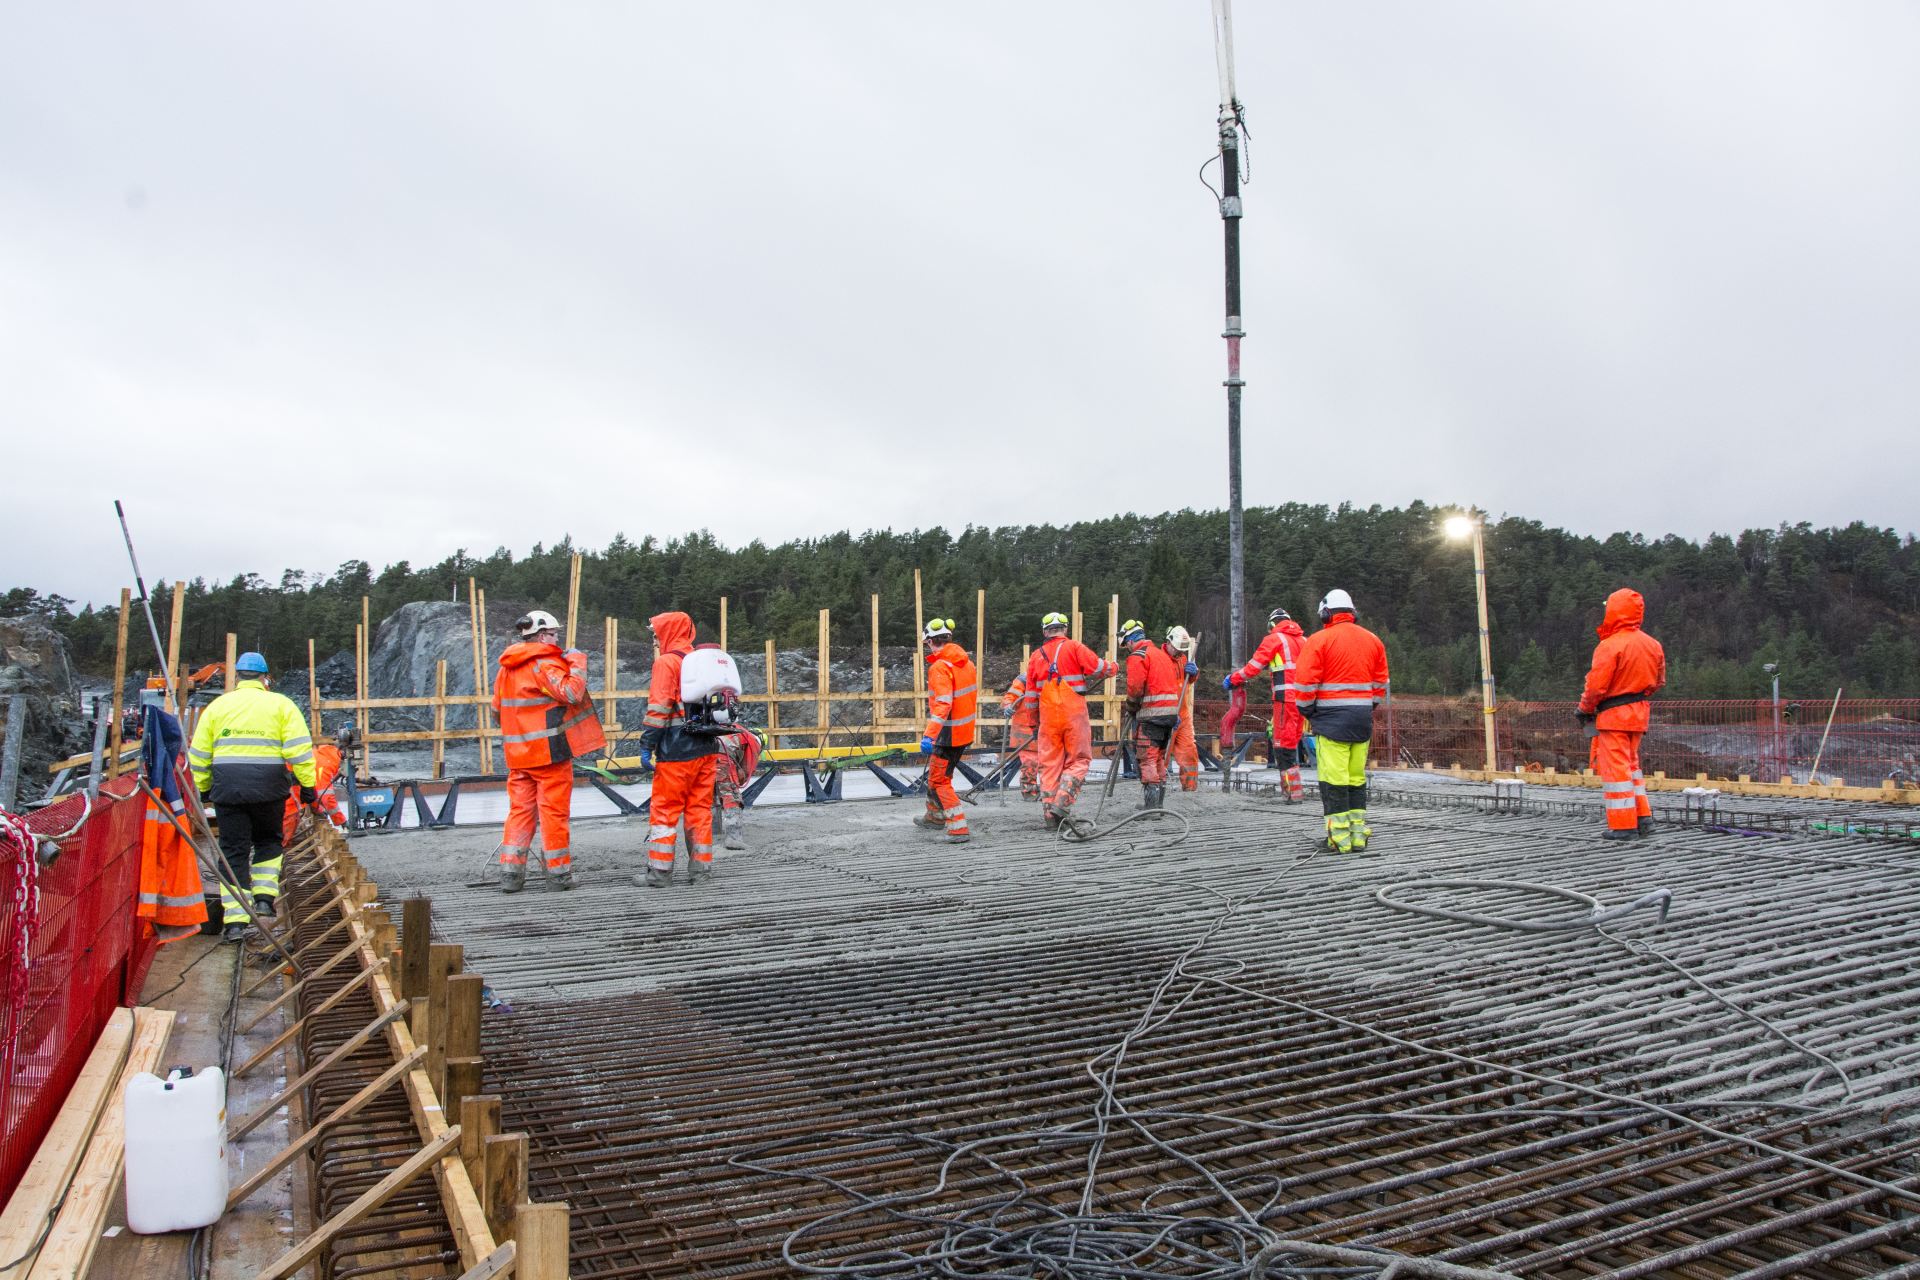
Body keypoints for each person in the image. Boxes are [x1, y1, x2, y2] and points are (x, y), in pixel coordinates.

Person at [189, 651, 317, 941]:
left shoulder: (218, 707)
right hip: (269, 789)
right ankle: (263, 900)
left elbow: (198, 755)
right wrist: (308, 787)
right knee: (268, 842)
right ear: (264, 677)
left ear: (236, 676)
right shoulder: (281, 705)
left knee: (233, 850)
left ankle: (234, 924)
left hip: (228, 789)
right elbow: (300, 751)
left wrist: (205, 787)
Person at [491, 609, 605, 893]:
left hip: (518, 755)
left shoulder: (507, 668)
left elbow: (496, 711)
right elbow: (571, 693)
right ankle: (558, 876)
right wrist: (577, 662)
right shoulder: (544, 664)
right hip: (549, 755)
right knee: (553, 814)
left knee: (520, 812)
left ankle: (511, 875)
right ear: (542, 635)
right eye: (554, 635)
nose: (557, 641)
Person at [1293, 590, 1390, 854]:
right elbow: (1380, 684)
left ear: (1326, 613)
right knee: (1356, 778)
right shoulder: (1373, 640)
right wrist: (1365, 706)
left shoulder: (1319, 640)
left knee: (1333, 780)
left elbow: (1304, 684)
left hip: (1331, 723)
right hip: (1361, 721)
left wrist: (1308, 711)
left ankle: (1338, 839)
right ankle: (1358, 836)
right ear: (1351, 612)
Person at [1578, 588, 1666, 840]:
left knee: (1616, 771)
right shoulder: (1653, 644)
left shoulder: (1609, 646)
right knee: (1632, 767)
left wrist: (1584, 708)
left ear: (1613, 611)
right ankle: (1643, 818)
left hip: (1613, 716)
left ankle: (1623, 826)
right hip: (1638, 714)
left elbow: (1596, 686)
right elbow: (1659, 681)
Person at [639, 611, 720, 886]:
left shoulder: (667, 663)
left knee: (665, 811)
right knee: (699, 810)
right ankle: (701, 872)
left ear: (668, 632)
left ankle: (659, 873)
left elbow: (659, 710)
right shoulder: (704, 661)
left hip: (676, 751)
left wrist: (647, 744)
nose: (654, 639)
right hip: (707, 748)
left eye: (655, 634)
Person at [1024, 612, 1119, 834]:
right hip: (1073, 714)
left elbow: (1030, 695)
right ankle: (1062, 804)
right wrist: (1113, 667)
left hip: (1047, 717)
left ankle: (1050, 815)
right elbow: (1098, 668)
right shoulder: (1074, 647)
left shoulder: (1036, 657)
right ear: (1064, 629)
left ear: (1045, 631)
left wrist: (1033, 723)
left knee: (1049, 765)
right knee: (1079, 759)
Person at [1225, 607, 1308, 802]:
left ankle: (1292, 793)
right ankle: (1294, 791)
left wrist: (1234, 679)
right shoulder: (1305, 641)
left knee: (1282, 744)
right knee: (1293, 743)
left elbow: (1254, 667)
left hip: (1284, 700)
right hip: (1304, 701)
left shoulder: (1274, 639)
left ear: (1272, 624)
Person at [914, 618, 978, 842]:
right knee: (936, 776)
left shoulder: (940, 667)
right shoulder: (967, 664)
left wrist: (929, 735)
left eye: (927, 644)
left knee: (940, 781)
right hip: (963, 733)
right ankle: (934, 817)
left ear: (931, 641)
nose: (927, 648)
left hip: (947, 734)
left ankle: (958, 828)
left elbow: (943, 704)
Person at [1121, 619, 1182, 811]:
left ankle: (1151, 807)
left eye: (1126, 645)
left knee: (1147, 758)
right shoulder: (1162, 655)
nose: (1127, 649)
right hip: (1169, 717)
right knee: (1159, 760)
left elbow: (1135, 688)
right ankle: (1159, 804)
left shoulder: (1138, 656)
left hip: (1151, 717)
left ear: (1130, 641)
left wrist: (1131, 706)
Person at [282, 723, 349, 844]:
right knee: (287, 822)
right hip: (288, 791)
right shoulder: (327, 764)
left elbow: (313, 791)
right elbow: (325, 796)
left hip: (285, 786)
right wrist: (342, 821)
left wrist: (317, 808)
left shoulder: (323, 755)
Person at [1162, 626, 1202, 792]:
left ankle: (1190, 788)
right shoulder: (1159, 660)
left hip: (1183, 714)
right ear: (1169, 642)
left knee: (1189, 753)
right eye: (1177, 650)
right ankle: (1157, 789)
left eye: (1181, 651)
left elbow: (1188, 680)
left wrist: (1194, 673)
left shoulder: (1182, 658)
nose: (1179, 653)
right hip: (1165, 714)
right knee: (1160, 755)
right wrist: (1168, 715)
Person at [713, 726, 764, 851]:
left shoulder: (736, 731)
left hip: (702, 757)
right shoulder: (753, 742)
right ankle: (733, 838)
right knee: (732, 797)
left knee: (709, 796)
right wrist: (735, 783)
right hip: (722, 759)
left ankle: (712, 832)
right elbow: (745, 770)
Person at [1000, 672, 1042, 800]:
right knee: (1030, 764)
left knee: (1049, 766)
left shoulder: (1054, 679)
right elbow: (1010, 697)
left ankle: (1048, 792)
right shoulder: (1023, 680)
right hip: (1025, 733)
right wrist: (1007, 706)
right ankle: (1029, 792)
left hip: (1046, 731)